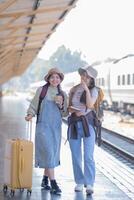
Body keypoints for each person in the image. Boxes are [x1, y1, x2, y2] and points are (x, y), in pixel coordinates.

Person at [25, 68, 68, 195]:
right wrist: (30, 114)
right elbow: (33, 105)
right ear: (48, 78)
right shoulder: (42, 90)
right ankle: (54, 183)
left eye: (57, 77)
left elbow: (65, 113)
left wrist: (60, 105)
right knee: (49, 153)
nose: (55, 79)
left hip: (55, 128)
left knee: (52, 154)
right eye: (52, 77)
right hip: (43, 127)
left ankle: (45, 180)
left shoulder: (63, 94)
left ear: (60, 80)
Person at [67, 65, 98, 195]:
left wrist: (85, 88)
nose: (83, 77)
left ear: (91, 79)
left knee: (88, 156)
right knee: (75, 155)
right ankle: (79, 181)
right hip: (74, 124)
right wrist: (74, 110)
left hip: (88, 125)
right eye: (82, 74)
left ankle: (89, 183)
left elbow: (90, 105)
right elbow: (69, 108)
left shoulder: (94, 90)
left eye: (86, 75)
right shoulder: (73, 89)